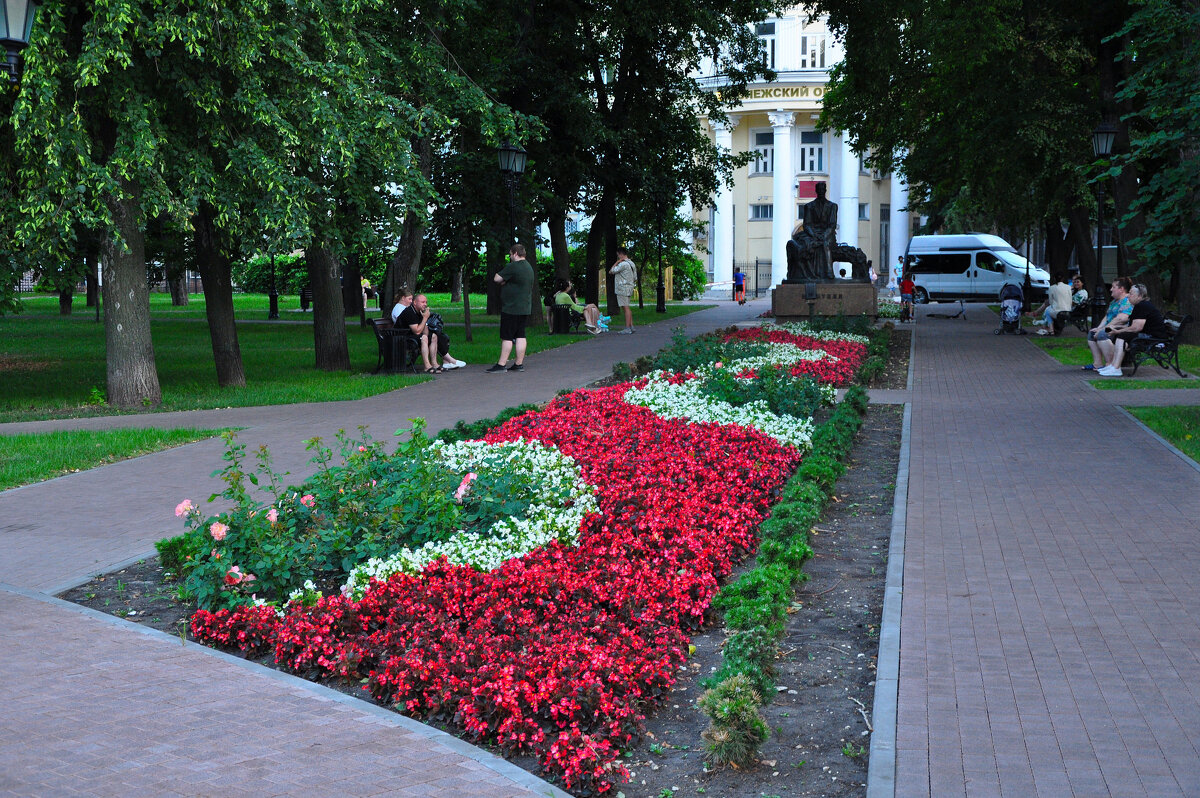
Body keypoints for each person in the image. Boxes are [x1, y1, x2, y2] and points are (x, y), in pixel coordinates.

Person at [1098, 283, 1171, 376]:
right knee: (1121, 335)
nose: (1128, 295)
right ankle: (1113, 366)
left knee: (1122, 336)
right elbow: (1133, 326)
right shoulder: (1139, 305)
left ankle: (1116, 368)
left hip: (1154, 338)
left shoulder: (1143, 306)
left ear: (1139, 296)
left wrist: (1117, 331)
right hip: (1149, 334)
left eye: (1131, 293)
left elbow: (1136, 328)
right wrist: (1116, 328)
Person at [489, 243, 535, 373]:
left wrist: (504, 282)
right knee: (520, 335)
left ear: (515, 253)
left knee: (507, 336)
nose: (510, 257)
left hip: (511, 307)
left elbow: (497, 279)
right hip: (524, 307)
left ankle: (501, 364)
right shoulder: (529, 267)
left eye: (510, 254)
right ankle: (518, 363)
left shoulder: (513, 266)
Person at [399, 293, 463, 373]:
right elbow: (417, 331)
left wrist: (425, 319)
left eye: (426, 302)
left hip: (412, 336)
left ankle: (434, 364)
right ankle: (427, 366)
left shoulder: (420, 312)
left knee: (433, 336)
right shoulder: (409, 312)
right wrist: (425, 318)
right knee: (424, 338)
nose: (425, 304)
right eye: (422, 302)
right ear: (415, 302)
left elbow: (425, 331)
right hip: (400, 338)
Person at [1083, 276, 1133, 371]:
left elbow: (1121, 319)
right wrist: (1099, 327)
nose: (1111, 289)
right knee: (1092, 333)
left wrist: (1103, 329)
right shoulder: (1114, 302)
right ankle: (1097, 364)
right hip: (1110, 327)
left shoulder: (1127, 301)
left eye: (1113, 287)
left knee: (1102, 334)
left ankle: (1110, 364)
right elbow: (1107, 316)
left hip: (1121, 328)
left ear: (1121, 289)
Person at [610, 247, 637, 334]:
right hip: (629, 287)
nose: (618, 257)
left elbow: (611, 271)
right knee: (627, 307)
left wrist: (617, 262)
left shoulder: (622, 264)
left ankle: (627, 328)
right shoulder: (632, 263)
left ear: (621, 254)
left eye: (618, 255)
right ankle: (631, 326)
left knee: (625, 308)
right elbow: (635, 277)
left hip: (622, 288)